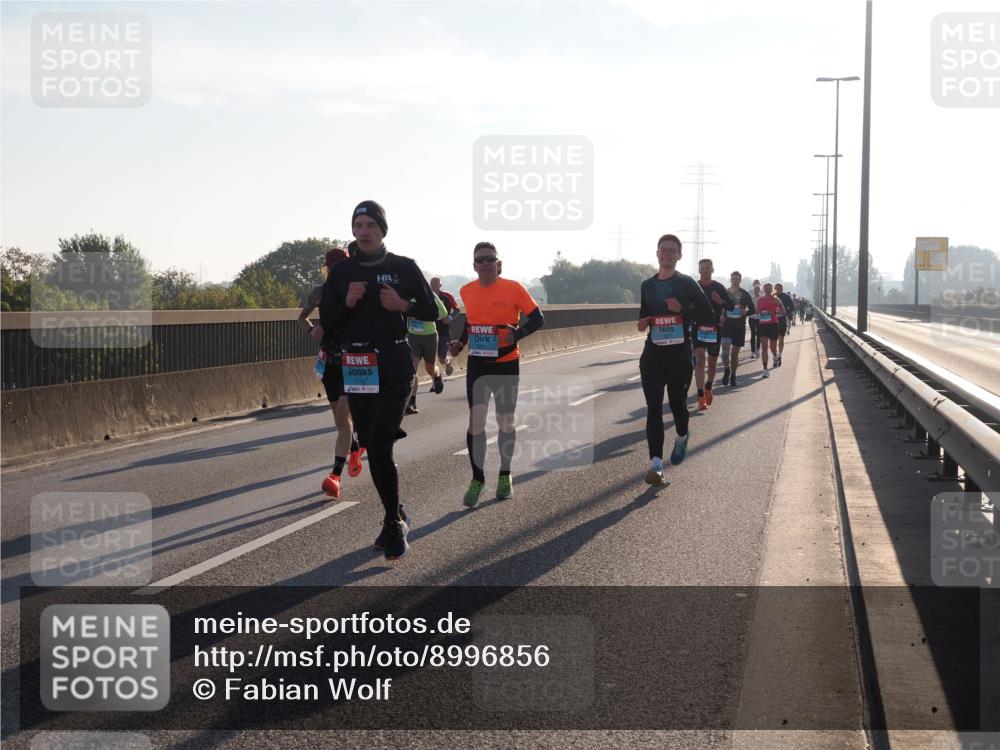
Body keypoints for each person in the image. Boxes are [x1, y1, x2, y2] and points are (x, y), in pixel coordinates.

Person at [320, 200, 440, 561]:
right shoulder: (342, 274)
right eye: (358, 224)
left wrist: (403, 305)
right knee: (370, 442)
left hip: (393, 363)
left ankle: (392, 524)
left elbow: (434, 311)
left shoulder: (403, 267)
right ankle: (398, 513)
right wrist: (348, 303)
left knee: (382, 443)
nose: (364, 230)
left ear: (382, 229)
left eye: (371, 224)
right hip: (356, 364)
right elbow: (328, 322)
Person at [449, 241, 544, 508]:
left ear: (499, 264)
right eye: (480, 260)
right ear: (474, 266)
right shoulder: (466, 291)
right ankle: (477, 479)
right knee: (475, 423)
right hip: (478, 363)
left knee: (505, 422)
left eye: (490, 259)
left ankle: (505, 474)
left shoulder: (514, 288)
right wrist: (460, 342)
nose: (485, 264)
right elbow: (471, 322)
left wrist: (518, 333)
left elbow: (538, 318)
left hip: (506, 363)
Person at [637, 234, 715, 486]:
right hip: (653, 354)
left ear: (679, 256)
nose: (667, 254)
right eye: (663, 250)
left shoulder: (686, 283)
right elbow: (644, 316)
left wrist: (682, 310)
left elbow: (708, 314)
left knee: (678, 405)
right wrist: (643, 322)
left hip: (680, 354)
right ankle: (656, 465)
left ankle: (682, 436)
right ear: (657, 253)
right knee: (654, 409)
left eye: (672, 251)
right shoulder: (647, 285)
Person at [298, 248, 365, 498]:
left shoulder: (356, 291)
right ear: (327, 268)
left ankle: (335, 475)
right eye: (332, 266)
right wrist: (312, 330)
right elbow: (301, 318)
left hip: (353, 361)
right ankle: (355, 447)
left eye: (340, 265)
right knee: (340, 419)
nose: (336, 270)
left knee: (344, 414)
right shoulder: (319, 291)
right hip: (329, 362)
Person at [692, 258, 734, 410]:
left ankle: (709, 386)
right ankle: (700, 395)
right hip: (698, 328)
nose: (705, 270)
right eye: (702, 268)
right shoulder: (694, 286)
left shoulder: (719, 287)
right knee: (700, 359)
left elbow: (730, 306)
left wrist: (720, 300)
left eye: (708, 268)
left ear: (712, 270)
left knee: (712, 363)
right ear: (699, 270)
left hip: (714, 329)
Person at [405, 289, 448, 414]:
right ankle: (411, 402)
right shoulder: (407, 294)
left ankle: (437, 375)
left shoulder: (430, 295)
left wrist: (423, 314)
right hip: (413, 335)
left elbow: (443, 313)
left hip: (429, 335)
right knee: (412, 368)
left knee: (430, 368)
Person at [720, 271, 755, 388]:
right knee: (725, 352)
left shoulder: (745, 294)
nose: (735, 281)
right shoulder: (725, 292)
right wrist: (721, 315)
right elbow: (719, 306)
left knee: (734, 354)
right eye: (733, 279)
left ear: (740, 280)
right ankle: (726, 369)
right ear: (730, 280)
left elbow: (753, 309)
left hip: (739, 327)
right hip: (727, 326)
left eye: (737, 279)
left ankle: (733, 375)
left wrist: (747, 312)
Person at [431, 277, 460, 377]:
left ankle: (448, 361)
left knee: (441, 358)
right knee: (430, 358)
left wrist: (450, 317)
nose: (433, 286)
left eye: (435, 284)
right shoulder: (427, 296)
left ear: (440, 285)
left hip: (444, 331)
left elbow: (457, 310)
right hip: (430, 331)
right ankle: (436, 378)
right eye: (432, 284)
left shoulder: (447, 296)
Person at [755, 283, 783, 377]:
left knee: (772, 347)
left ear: (772, 290)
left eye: (769, 289)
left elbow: (783, 311)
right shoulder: (760, 299)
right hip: (763, 325)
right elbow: (756, 311)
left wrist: (774, 312)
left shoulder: (775, 299)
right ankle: (765, 369)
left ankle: (775, 356)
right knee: (764, 347)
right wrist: (758, 312)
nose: (767, 290)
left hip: (773, 325)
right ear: (763, 289)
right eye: (766, 289)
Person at [774, 283, 795, 367]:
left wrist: (787, 312)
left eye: (779, 288)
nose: (777, 290)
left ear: (782, 289)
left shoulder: (786, 297)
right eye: (776, 288)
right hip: (773, 319)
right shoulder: (771, 296)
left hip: (782, 319)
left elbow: (792, 307)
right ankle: (775, 355)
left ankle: (779, 355)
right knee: (774, 339)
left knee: (781, 338)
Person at [748, 279, 764, 359]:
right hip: (752, 318)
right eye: (755, 289)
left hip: (759, 318)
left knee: (758, 335)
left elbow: (764, 308)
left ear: (759, 290)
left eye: (757, 289)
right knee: (752, 334)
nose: (756, 290)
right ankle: (752, 352)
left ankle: (758, 350)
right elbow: (748, 307)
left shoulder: (762, 298)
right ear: (753, 289)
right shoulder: (751, 297)